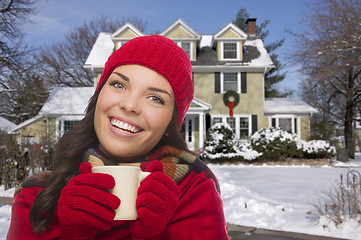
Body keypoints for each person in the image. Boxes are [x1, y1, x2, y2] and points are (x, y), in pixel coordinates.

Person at [7, 35, 229, 239]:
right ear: (99, 96)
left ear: (170, 125)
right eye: (118, 84)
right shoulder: (36, 194)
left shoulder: (194, 191)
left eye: (155, 98)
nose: (130, 105)